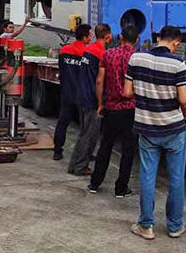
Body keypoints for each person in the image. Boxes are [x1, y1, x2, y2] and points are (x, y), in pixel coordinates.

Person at [124, 26, 186, 240]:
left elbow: (127, 92)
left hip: (147, 127)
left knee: (147, 175)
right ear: (176, 43)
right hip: (173, 129)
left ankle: (146, 225)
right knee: (177, 178)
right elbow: (183, 100)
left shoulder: (136, 59)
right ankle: (175, 226)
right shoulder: (177, 64)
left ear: (158, 38)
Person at [88, 24, 139, 197]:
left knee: (105, 146)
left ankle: (95, 183)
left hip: (111, 107)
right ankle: (121, 188)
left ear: (121, 38)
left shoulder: (107, 54)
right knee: (128, 149)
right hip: (131, 109)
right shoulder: (138, 58)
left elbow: (99, 81)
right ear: (137, 40)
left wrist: (101, 103)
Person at [68, 23, 112, 176]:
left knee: (83, 133)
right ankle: (80, 166)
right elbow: (99, 81)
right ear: (108, 36)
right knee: (90, 135)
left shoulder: (88, 50)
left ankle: (74, 164)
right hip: (92, 100)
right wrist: (101, 103)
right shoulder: (101, 54)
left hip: (81, 96)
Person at [53, 24, 92, 161]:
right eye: (90, 35)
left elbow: (61, 69)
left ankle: (57, 151)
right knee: (85, 126)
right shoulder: (87, 53)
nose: (91, 37)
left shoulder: (64, 50)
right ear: (85, 37)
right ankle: (84, 153)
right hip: (82, 94)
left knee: (63, 122)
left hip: (66, 91)